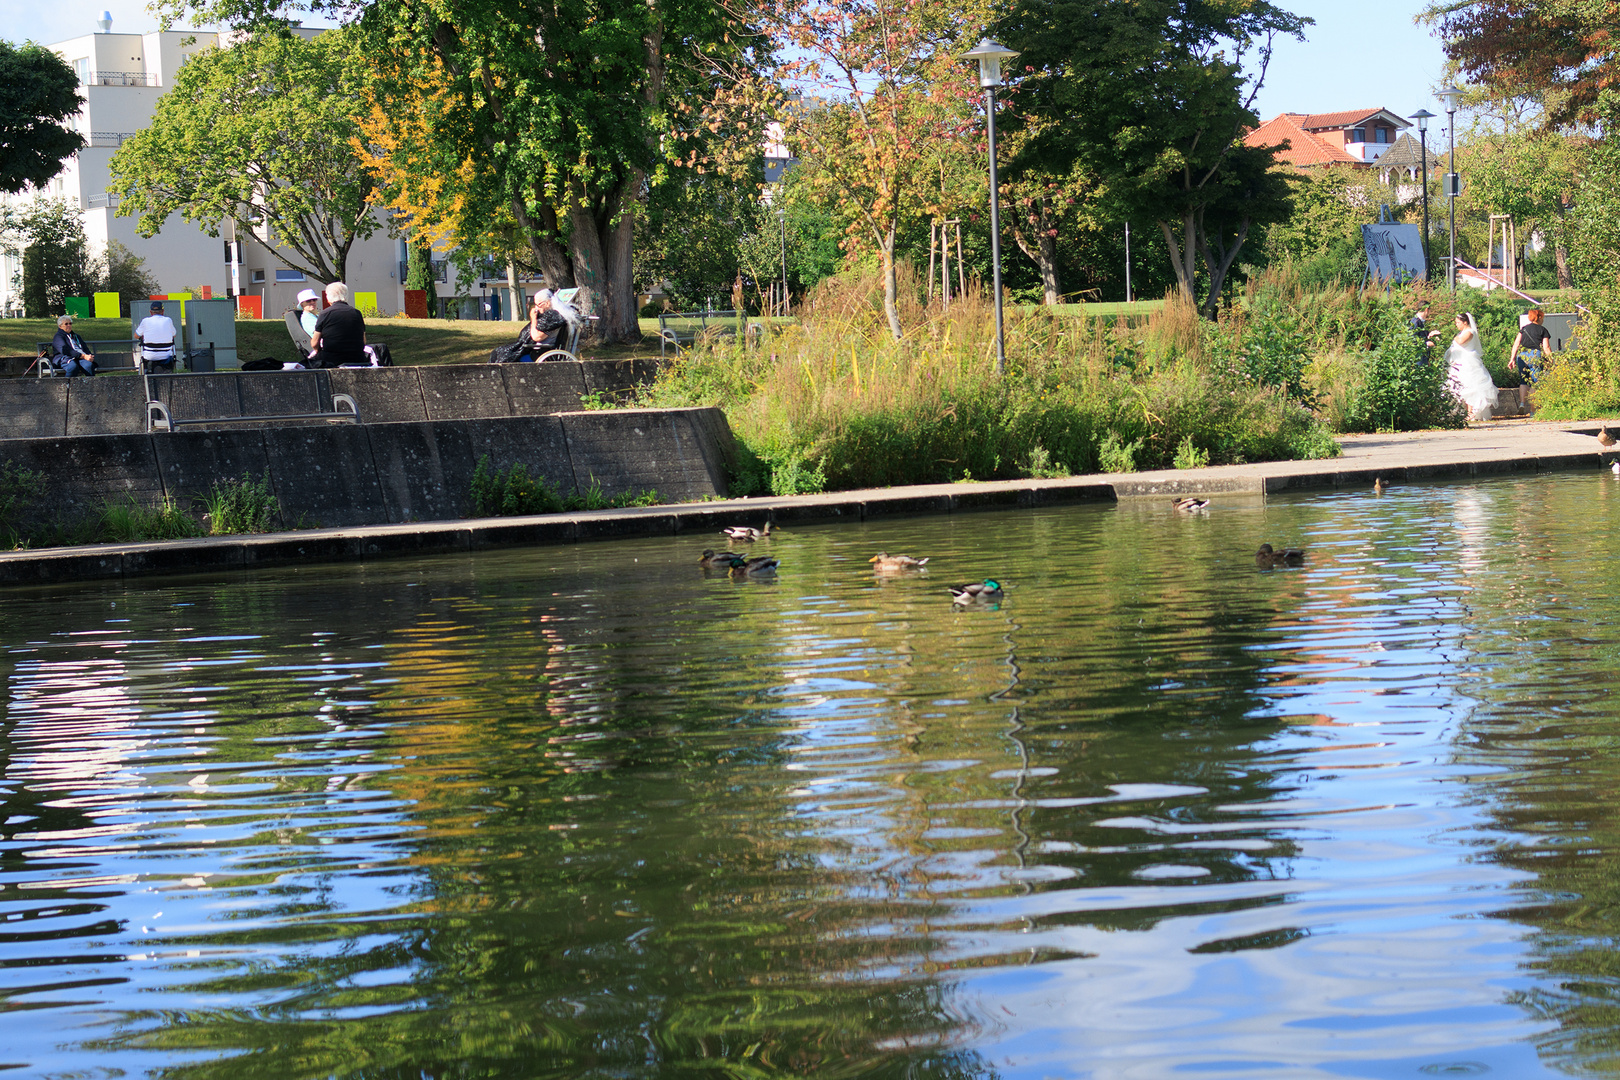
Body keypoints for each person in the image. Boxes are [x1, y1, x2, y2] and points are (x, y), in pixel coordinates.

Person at [1445, 311, 1496, 422]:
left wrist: (1454, 338)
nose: (1456, 324)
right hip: (1460, 363)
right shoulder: (1462, 332)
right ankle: (1459, 411)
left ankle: (1471, 412)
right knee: (1459, 386)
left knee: (1471, 386)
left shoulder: (1469, 332)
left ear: (1465, 322)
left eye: (1458, 322)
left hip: (1468, 363)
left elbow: (1461, 341)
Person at [306, 281, 367, 368]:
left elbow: (314, 343)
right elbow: (363, 340)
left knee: (305, 364)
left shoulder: (325, 313)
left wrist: (319, 351)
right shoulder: (356, 313)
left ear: (328, 298)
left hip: (331, 359)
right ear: (346, 296)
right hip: (357, 358)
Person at [1508, 308, 1553, 382]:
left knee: (1523, 382)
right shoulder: (1543, 330)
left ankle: (1523, 394)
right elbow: (1546, 347)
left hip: (1522, 355)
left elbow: (1516, 344)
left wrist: (1512, 359)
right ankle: (1534, 394)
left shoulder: (1524, 329)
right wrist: (1551, 360)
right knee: (1536, 382)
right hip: (1535, 355)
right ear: (1539, 317)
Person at [134, 300, 178, 372]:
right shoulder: (168, 320)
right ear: (162, 311)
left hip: (149, 355)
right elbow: (174, 335)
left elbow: (136, 336)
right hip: (166, 355)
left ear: (150, 312)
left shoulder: (145, 321)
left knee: (144, 360)